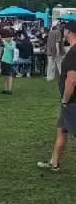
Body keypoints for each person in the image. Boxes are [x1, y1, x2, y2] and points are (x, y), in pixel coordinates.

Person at [38, 20, 76, 172]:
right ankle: (54, 163)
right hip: (69, 102)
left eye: (64, 30)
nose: (63, 33)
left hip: (72, 101)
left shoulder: (73, 53)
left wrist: (65, 100)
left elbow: (72, 80)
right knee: (61, 130)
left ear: (69, 32)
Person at [1, 31, 16, 95]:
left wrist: (5, 43)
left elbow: (11, 48)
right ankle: (5, 89)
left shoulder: (13, 43)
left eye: (6, 37)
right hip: (4, 60)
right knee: (5, 75)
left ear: (10, 37)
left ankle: (9, 90)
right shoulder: (6, 42)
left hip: (9, 61)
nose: (5, 39)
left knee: (9, 76)